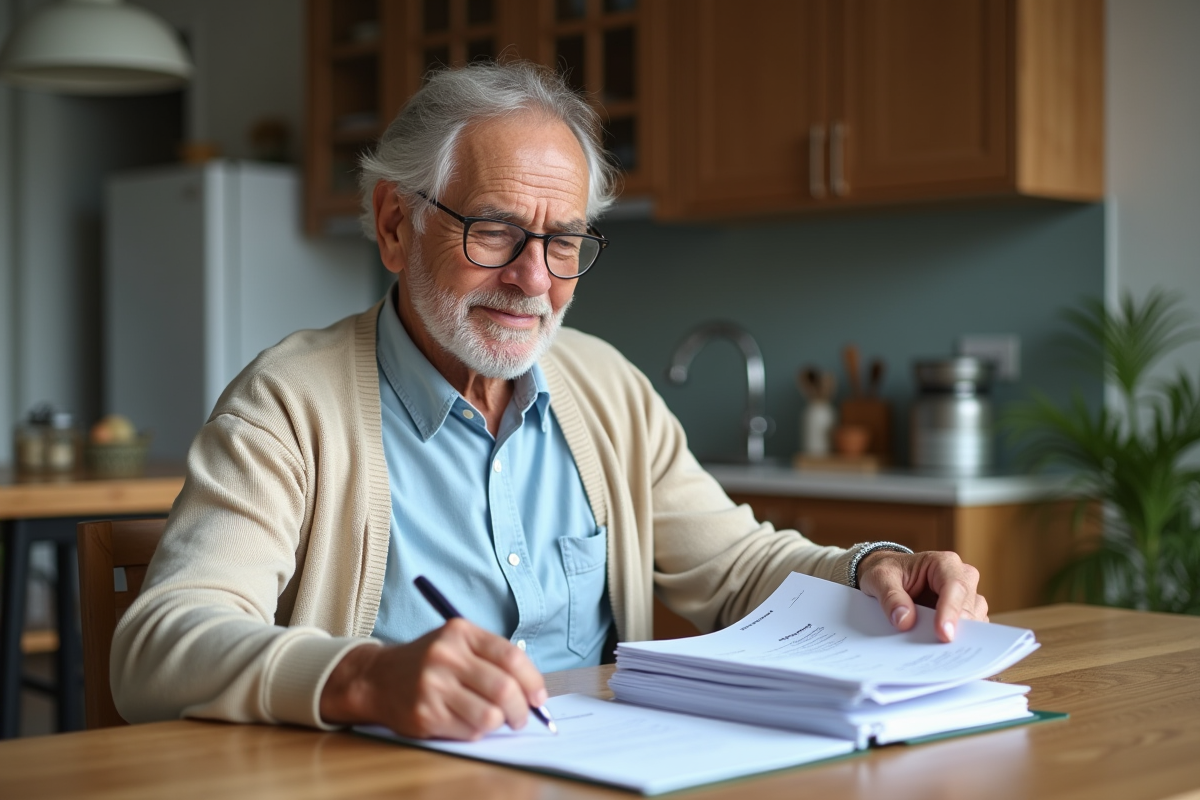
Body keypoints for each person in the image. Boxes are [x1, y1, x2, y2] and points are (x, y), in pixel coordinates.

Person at [112, 62, 987, 741]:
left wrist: (875, 566)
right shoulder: (287, 404)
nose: (533, 278)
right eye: (493, 229)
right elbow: (159, 646)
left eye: (562, 241)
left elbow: (742, 571)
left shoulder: (606, 388)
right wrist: (364, 679)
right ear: (392, 225)